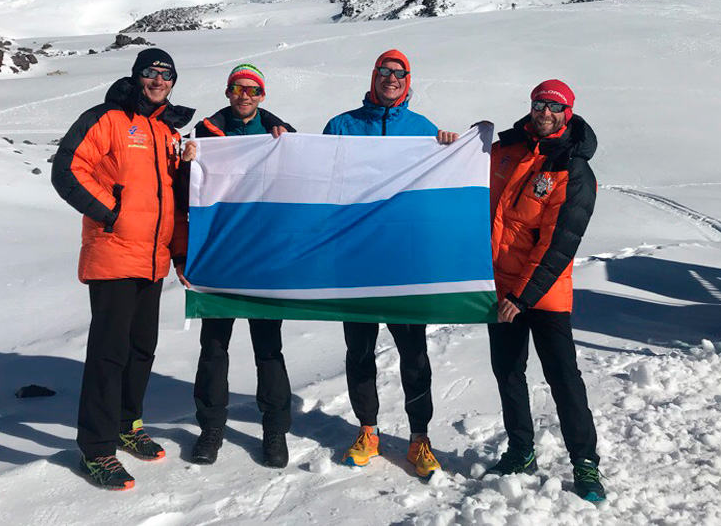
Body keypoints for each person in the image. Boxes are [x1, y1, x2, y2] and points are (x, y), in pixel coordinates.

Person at [51, 48, 194, 491]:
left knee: (141, 348)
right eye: (150, 73)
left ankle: (127, 424)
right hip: (114, 253)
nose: (158, 80)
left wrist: (180, 251)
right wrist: (111, 212)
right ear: (136, 77)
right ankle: (96, 449)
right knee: (108, 354)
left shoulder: (167, 130)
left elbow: (171, 198)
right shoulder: (108, 118)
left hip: (152, 259)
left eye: (166, 74)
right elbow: (67, 170)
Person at [323, 49, 458, 478]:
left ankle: (419, 439)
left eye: (399, 73)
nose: (391, 79)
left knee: (414, 354)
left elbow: (443, 189)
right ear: (373, 76)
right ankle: (368, 431)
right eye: (384, 71)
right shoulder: (341, 126)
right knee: (359, 352)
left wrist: (452, 151)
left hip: (404, 263)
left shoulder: (423, 131)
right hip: (356, 262)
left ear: (408, 80)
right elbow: (316, 180)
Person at [485, 79, 606, 501]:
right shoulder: (508, 150)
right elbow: (460, 172)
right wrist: (460, 140)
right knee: (508, 372)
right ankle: (520, 450)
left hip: (543, 292)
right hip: (499, 289)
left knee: (563, 377)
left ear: (567, 113)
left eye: (555, 107)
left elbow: (558, 245)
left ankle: (585, 464)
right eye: (540, 104)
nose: (545, 112)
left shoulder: (573, 170)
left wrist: (522, 297)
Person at [179, 64, 296, 469]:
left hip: (264, 259)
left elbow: (303, 184)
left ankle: (275, 430)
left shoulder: (283, 135)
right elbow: (185, 195)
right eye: (237, 88)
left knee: (268, 348)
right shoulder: (205, 134)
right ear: (228, 92)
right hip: (218, 257)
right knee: (213, 347)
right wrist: (187, 164)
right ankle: (211, 428)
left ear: (262, 95)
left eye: (252, 89)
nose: (244, 95)